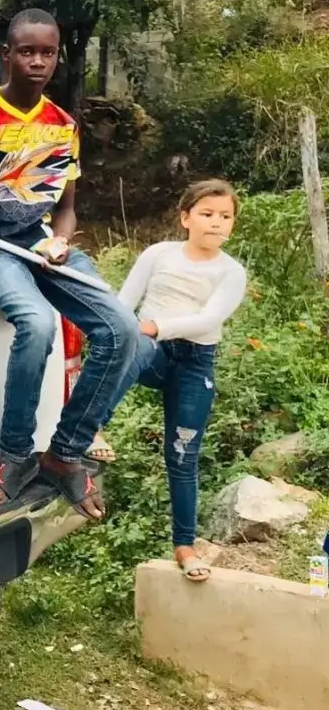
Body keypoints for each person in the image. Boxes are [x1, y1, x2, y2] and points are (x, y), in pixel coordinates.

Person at [0, 9, 137, 520]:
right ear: (6, 55)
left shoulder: (62, 125)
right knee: (37, 324)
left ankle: (65, 452)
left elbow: (65, 205)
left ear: (58, 56)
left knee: (122, 329)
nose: (38, 62)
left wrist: (61, 243)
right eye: (27, 51)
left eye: (47, 52)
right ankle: (15, 455)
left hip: (41, 244)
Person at [103, 180, 246, 581]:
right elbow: (123, 304)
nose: (216, 223)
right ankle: (90, 430)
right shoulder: (158, 254)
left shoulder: (230, 272)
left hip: (194, 363)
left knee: (182, 456)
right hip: (151, 349)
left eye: (225, 216)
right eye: (206, 213)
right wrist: (130, 330)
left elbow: (208, 320)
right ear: (185, 218)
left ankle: (185, 545)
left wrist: (153, 326)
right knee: (136, 346)